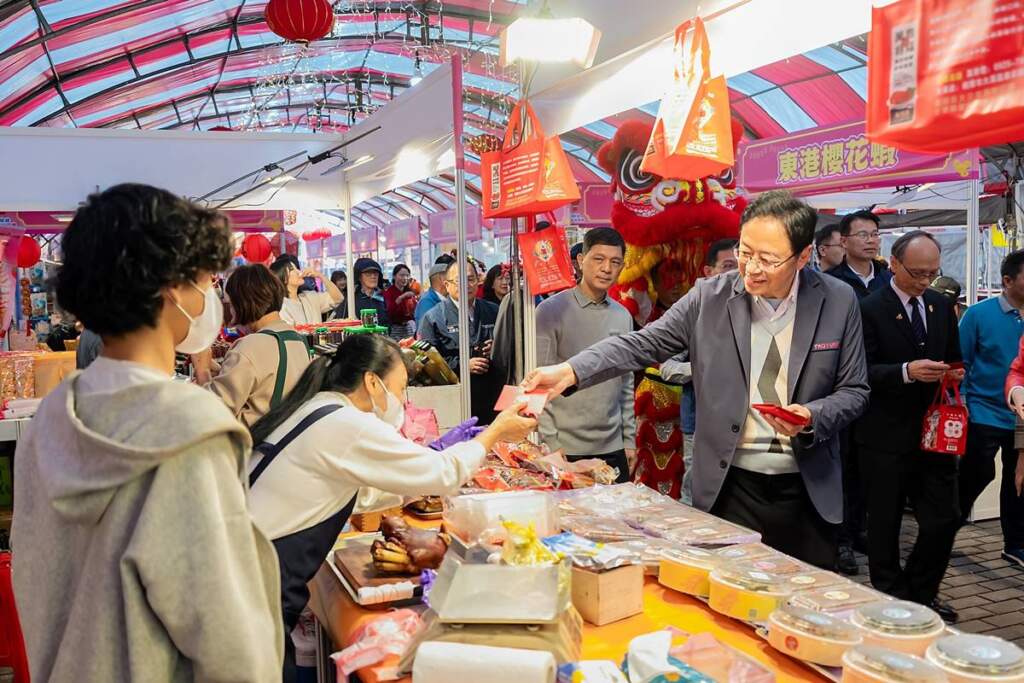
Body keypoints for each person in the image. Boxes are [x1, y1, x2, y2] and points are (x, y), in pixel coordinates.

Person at [12, 184, 282, 681]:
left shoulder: (49, 421)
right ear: (170, 289)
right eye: (204, 279)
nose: (211, 296)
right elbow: (233, 647)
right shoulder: (189, 436)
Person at [524, 191, 869, 568]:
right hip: (731, 485)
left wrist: (812, 416)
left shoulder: (838, 300)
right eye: (745, 252)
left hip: (807, 486)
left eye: (767, 260)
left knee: (805, 603)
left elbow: (855, 390)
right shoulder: (710, 297)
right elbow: (643, 343)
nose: (751, 268)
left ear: (803, 257)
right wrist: (571, 370)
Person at [247, 334, 537, 682]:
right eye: (400, 389)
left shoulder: (319, 407)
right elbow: (442, 475)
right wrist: (495, 432)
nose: (402, 400)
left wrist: (436, 453)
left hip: (251, 573)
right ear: (372, 381)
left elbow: (364, 490)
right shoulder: (345, 423)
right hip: (252, 587)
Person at [856, 230, 963, 622]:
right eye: (917, 273)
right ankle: (892, 596)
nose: (924, 281)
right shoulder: (869, 309)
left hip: (933, 432)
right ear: (895, 263)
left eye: (931, 273)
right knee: (883, 522)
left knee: (944, 517)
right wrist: (905, 372)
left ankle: (921, 591)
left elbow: (954, 358)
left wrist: (954, 374)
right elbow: (859, 372)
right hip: (884, 434)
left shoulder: (939, 304)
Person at [536, 228, 635, 483]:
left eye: (615, 262)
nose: (606, 269)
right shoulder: (550, 311)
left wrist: (629, 440)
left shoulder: (623, 316)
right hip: (566, 450)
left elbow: (626, 383)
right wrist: (552, 444)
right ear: (581, 260)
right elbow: (540, 384)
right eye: (598, 259)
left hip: (613, 448)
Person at [664, 238, 741, 503]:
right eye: (728, 265)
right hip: (699, 424)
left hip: (742, 429)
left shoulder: (757, 308)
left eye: (740, 265)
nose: (736, 273)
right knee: (696, 495)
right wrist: (704, 369)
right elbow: (667, 366)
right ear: (709, 272)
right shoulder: (697, 310)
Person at [963, 251, 1024, 568]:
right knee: (975, 474)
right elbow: (961, 364)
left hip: (1021, 419)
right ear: (1008, 280)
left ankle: (1015, 544)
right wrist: (963, 406)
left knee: (1018, 480)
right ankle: (947, 529)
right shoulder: (977, 315)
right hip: (983, 411)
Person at [205, 263, 312, 427]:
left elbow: (212, 412)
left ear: (243, 302)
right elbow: (264, 384)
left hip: (256, 447)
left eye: (231, 304)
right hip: (286, 439)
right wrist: (220, 370)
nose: (231, 312)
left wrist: (202, 370)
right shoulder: (297, 339)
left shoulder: (250, 346)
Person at [420, 259, 500, 422]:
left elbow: (510, 349)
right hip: (456, 396)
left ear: (478, 282)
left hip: (492, 393)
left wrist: (496, 348)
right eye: (459, 280)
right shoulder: (433, 318)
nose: (466, 285)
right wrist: (463, 365)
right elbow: (427, 363)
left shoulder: (493, 311)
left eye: (470, 279)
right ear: (447, 285)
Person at [825, 210, 892, 298]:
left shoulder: (888, 279)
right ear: (844, 242)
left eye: (875, 234)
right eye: (862, 235)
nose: (871, 240)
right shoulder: (829, 281)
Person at [271, 255, 342, 325]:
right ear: (284, 278)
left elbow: (338, 298)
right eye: (293, 269)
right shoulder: (283, 306)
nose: (299, 272)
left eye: (297, 268)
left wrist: (321, 276)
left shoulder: (309, 296)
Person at [339, 257, 389, 325]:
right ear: (359, 277)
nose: (373, 276)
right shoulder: (351, 300)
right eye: (368, 273)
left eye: (376, 273)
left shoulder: (383, 297)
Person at [384, 263, 417, 339]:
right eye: (402, 275)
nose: (405, 278)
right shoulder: (388, 293)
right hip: (395, 329)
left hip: (408, 328)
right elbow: (389, 312)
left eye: (407, 275)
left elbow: (413, 313)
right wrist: (401, 297)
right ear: (394, 276)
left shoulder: (410, 292)